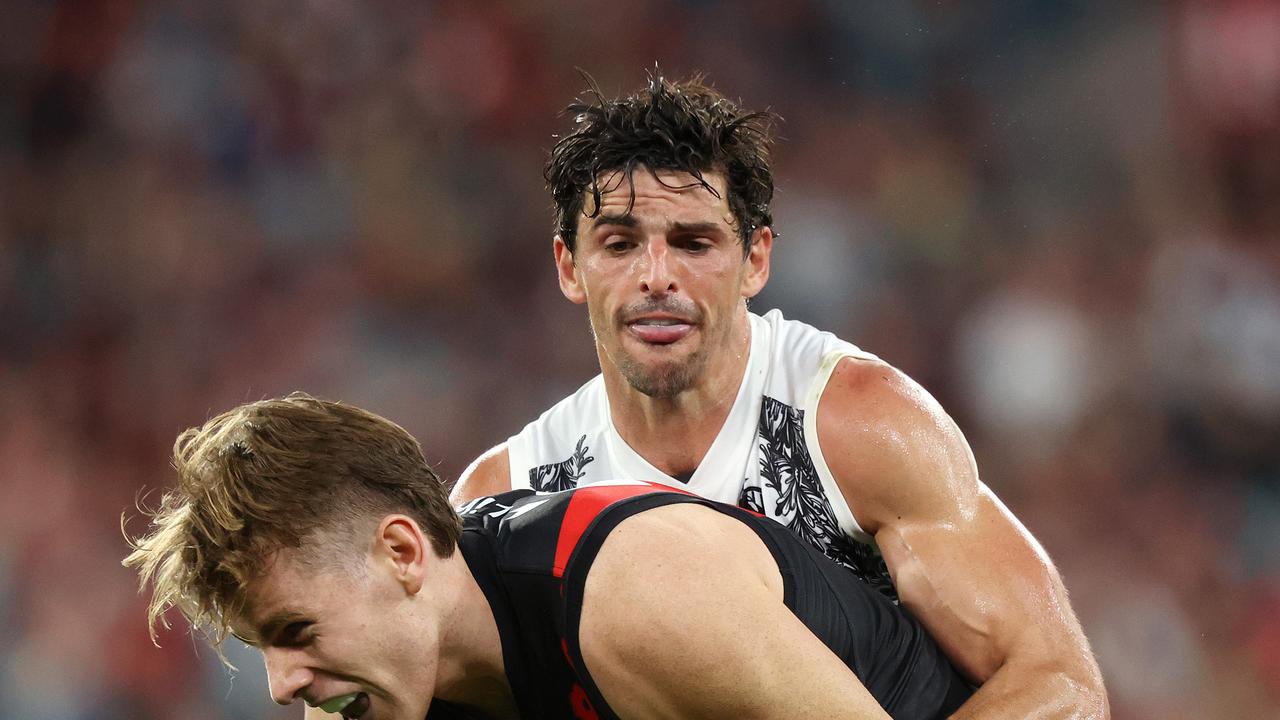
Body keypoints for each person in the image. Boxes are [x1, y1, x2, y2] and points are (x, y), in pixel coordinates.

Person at [451, 73, 1108, 717]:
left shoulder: (855, 420)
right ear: (570, 266)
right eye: (619, 244)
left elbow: (1060, 684)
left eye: (694, 242)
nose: (656, 277)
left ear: (756, 261)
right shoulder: (512, 494)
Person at [124, 394, 973, 719]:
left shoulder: (635, 595)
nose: (282, 685)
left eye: (295, 628)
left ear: (401, 553)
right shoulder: (371, 696)